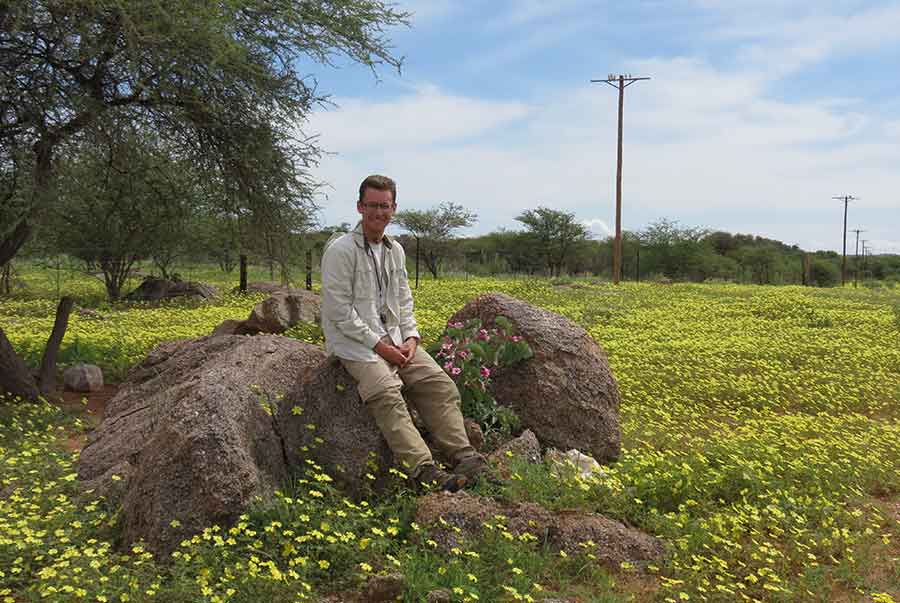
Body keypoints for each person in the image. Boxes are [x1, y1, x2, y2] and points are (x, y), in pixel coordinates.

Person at [320, 174, 493, 491]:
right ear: (360, 207)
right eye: (371, 205)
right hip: (357, 344)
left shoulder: (395, 250)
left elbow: (403, 299)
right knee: (386, 393)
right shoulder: (341, 251)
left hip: (397, 341)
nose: (378, 212)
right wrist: (380, 347)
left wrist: (411, 338)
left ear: (394, 208)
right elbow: (338, 312)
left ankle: (465, 456)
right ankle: (425, 472)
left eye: (384, 206)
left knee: (438, 384)